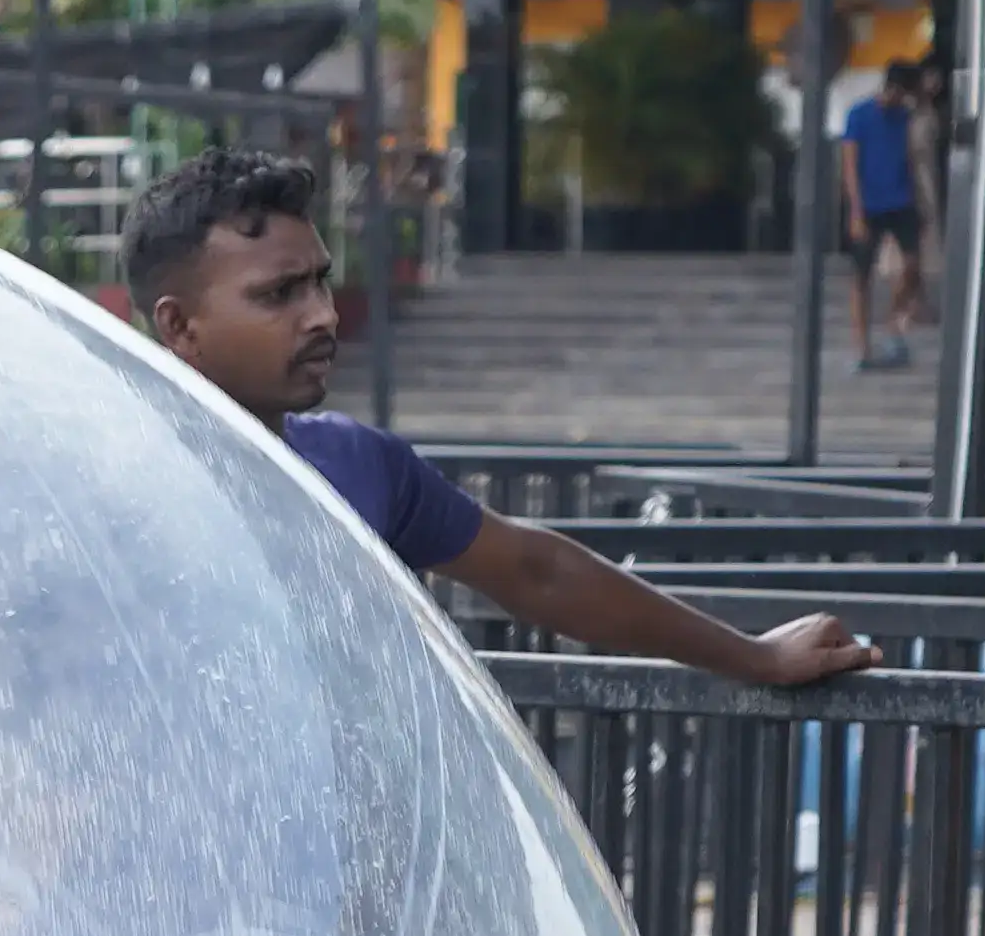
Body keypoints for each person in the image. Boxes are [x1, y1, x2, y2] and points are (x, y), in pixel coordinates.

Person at [117, 151, 879, 686]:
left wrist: (757, 657)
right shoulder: (99, 489)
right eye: (279, 294)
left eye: (321, 282)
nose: (322, 314)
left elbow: (536, 571)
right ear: (179, 325)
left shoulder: (358, 465)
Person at [835, 55, 926, 368]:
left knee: (912, 265)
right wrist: (855, 211)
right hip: (869, 203)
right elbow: (849, 165)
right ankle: (862, 347)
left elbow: (912, 159)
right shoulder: (859, 115)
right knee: (862, 275)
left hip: (900, 200)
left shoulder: (906, 117)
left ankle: (892, 321)